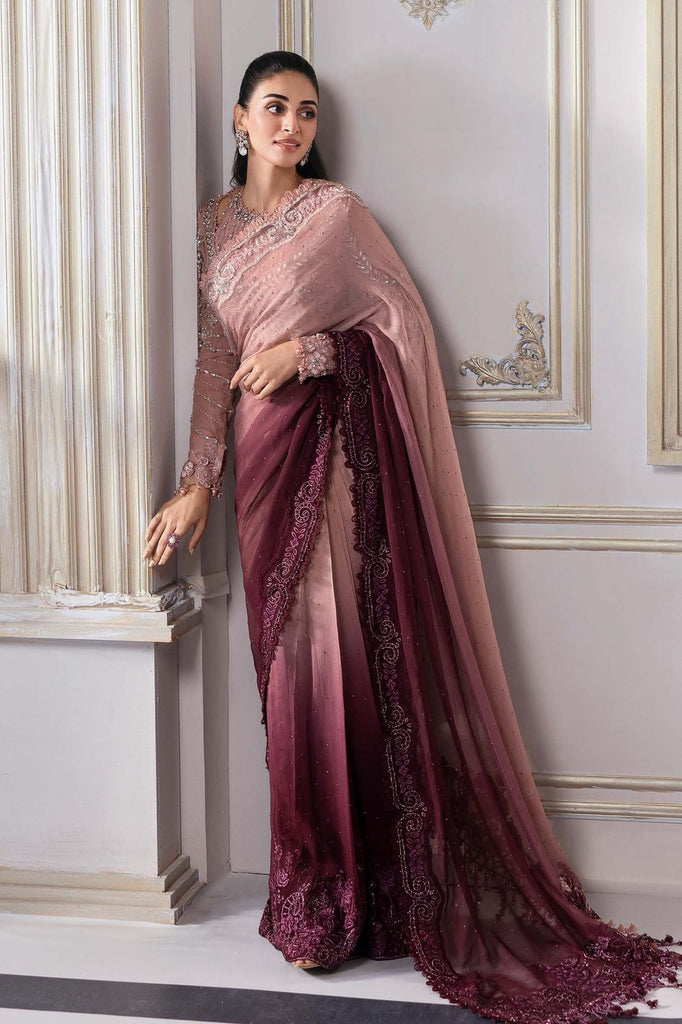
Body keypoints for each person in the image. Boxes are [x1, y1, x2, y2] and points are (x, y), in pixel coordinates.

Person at [142, 49, 682, 1023]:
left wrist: (306, 350)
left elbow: (399, 329)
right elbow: (212, 367)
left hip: (329, 462)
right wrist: (194, 487)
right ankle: (313, 888)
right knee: (285, 683)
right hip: (256, 480)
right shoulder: (214, 227)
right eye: (275, 107)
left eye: (307, 112)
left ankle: (349, 901)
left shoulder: (337, 214)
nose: (292, 126)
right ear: (239, 119)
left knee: (329, 670)